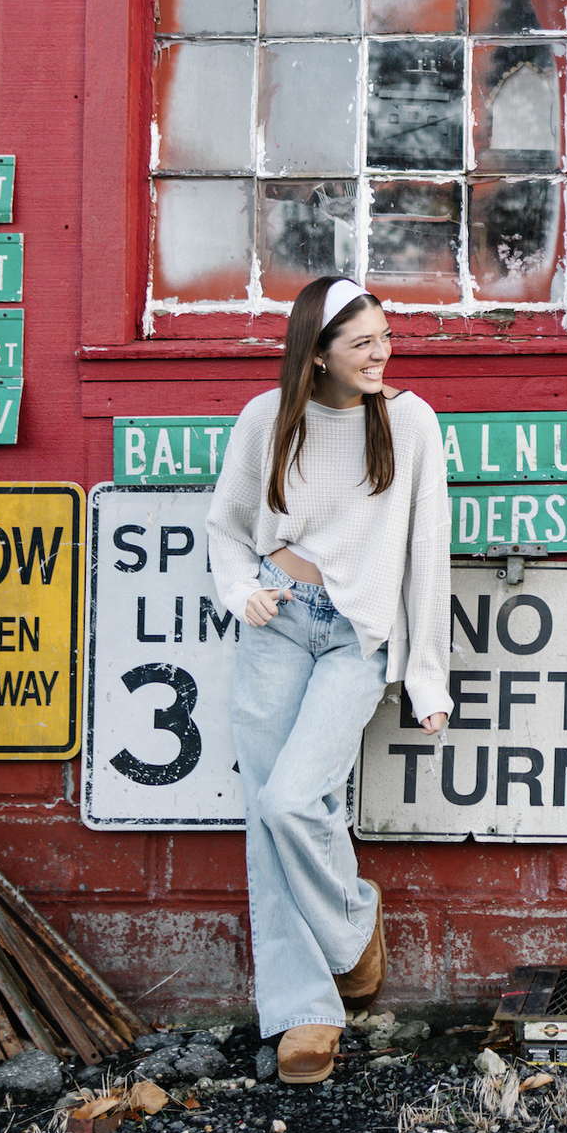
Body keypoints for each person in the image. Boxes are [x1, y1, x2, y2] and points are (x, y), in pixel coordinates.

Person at [206, 276, 451, 1084]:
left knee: (292, 798)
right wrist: (243, 592)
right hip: (278, 621)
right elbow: (227, 530)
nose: (382, 353)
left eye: (385, 336)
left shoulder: (410, 423)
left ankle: (351, 925)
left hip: (357, 635)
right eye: (362, 343)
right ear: (316, 355)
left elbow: (426, 555)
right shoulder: (264, 420)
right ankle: (304, 1013)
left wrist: (427, 676)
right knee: (262, 818)